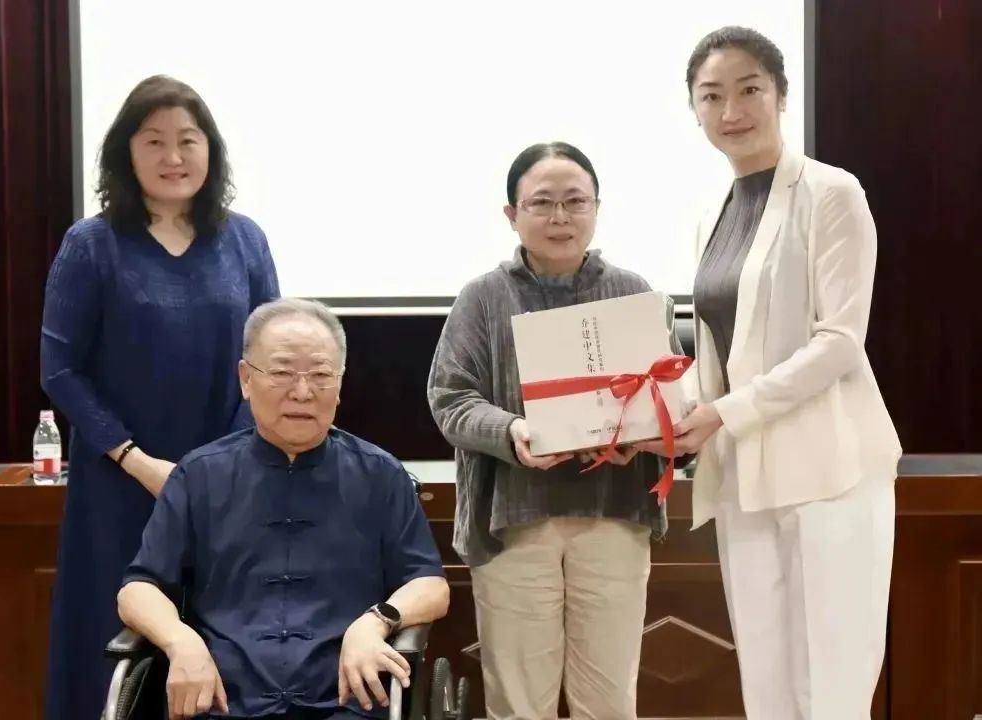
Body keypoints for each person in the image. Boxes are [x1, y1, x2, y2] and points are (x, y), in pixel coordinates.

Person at [635, 26, 902, 719]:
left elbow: (839, 342)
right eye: (711, 96)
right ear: (694, 110)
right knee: (767, 685)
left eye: (749, 89)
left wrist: (722, 412)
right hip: (746, 474)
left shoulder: (832, 192)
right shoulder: (711, 216)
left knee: (832, 686)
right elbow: (719, 352)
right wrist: (670, 417)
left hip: (831, 468)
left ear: (781, 94)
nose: (731, 111)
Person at [40, 75, 280, 719]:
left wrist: (222, 463)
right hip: (120, 484)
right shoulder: (91, 244)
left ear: (211, 150)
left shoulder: (245, 240)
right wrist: (136, 460)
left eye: (188, 140)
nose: (173, 157)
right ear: (126, 152)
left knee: (222, 638)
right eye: (154, 141)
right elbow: (60, 369)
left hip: (227, 482)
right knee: (112, 644)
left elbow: (269, 357)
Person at [427, 142, 687, 720]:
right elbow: (450, 399)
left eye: (575, 201)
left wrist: (637, 435)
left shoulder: (633, 293)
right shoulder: (482, 297)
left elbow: (667, 397)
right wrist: (513, 430)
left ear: (597, 208)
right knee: (520, 702)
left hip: (613, 512)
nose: (560, 217)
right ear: (511, 214)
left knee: (609, 701)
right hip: (516, 519)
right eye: (541, 202)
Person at [118, 298, 449, 720]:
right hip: (222, 700)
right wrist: (180, 642)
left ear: (340, 384)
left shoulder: (381, 475)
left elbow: (429, 584)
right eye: (281, 373)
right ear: (246, 379)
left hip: (348, 702)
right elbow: (138, 589)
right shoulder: (199, 475)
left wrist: (376, 621)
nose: (302, 392)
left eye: (321, 375)